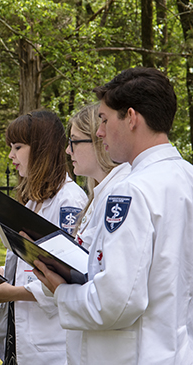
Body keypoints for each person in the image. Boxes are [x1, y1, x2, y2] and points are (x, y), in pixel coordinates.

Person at [34, 68, 193, 364]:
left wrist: (61, 291)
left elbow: (116, 301)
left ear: (131, 118)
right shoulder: (186, 176)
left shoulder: (133, 190)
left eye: (105, 120)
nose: (99, 132)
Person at [0, 110, 87, 364]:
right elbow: (26, 269)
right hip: (23, 342)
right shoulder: (33, 203)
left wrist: (10, 293)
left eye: (18, 147)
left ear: (41, 149)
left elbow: (67, 278)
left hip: (51, 347)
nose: (11, 156)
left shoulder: (69, 201)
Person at [64, 104, 131, 364]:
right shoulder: (98, 196)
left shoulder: (121, 194)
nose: (67, 150)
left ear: (99, 141)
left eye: (74, 142)